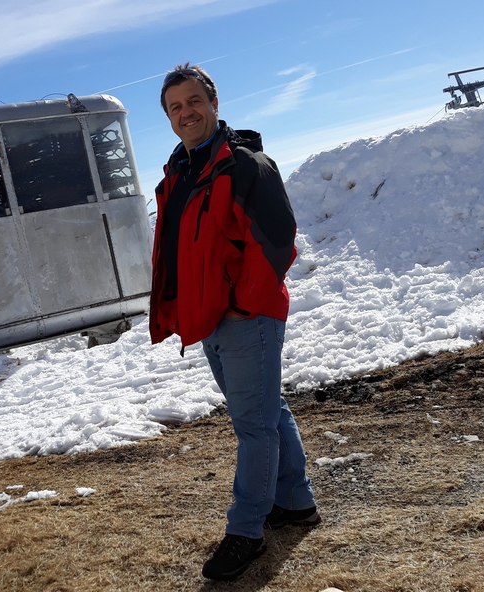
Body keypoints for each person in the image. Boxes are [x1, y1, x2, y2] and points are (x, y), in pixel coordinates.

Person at [149, 63, 320, 581]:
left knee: (253, 426)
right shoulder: (179, 171)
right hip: (211, 319)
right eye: (175, 106)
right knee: (269, 410)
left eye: (193, 100)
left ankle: (246, 530)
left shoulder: (245, 164)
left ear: (214, 103)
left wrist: (244, 305)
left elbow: (276, 242)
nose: (186, 112)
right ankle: (295, 503)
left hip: (246, 318)